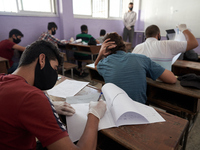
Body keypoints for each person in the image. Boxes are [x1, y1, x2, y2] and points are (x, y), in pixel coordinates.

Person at [0, 40, 107, 150]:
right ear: (42, 60)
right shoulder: (31, 97)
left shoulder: (3, 79)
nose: (55, 74)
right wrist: (94, 114)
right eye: (55, 68)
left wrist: (50, 105)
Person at [95, 32, 177, 104]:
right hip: (139, 109)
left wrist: (100, 53)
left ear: (105, 50)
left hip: (115, 109)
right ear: (123, 45)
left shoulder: (103, 64)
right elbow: (172, 79)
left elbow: (95, 65)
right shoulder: (141, 58)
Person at [133, 24, 199, 71]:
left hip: (144, 82)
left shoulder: (137, 47)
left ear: (146, 35)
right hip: (162, 83)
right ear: (158, 34)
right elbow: (194, 43)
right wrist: (184, 29)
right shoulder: (167, 44)